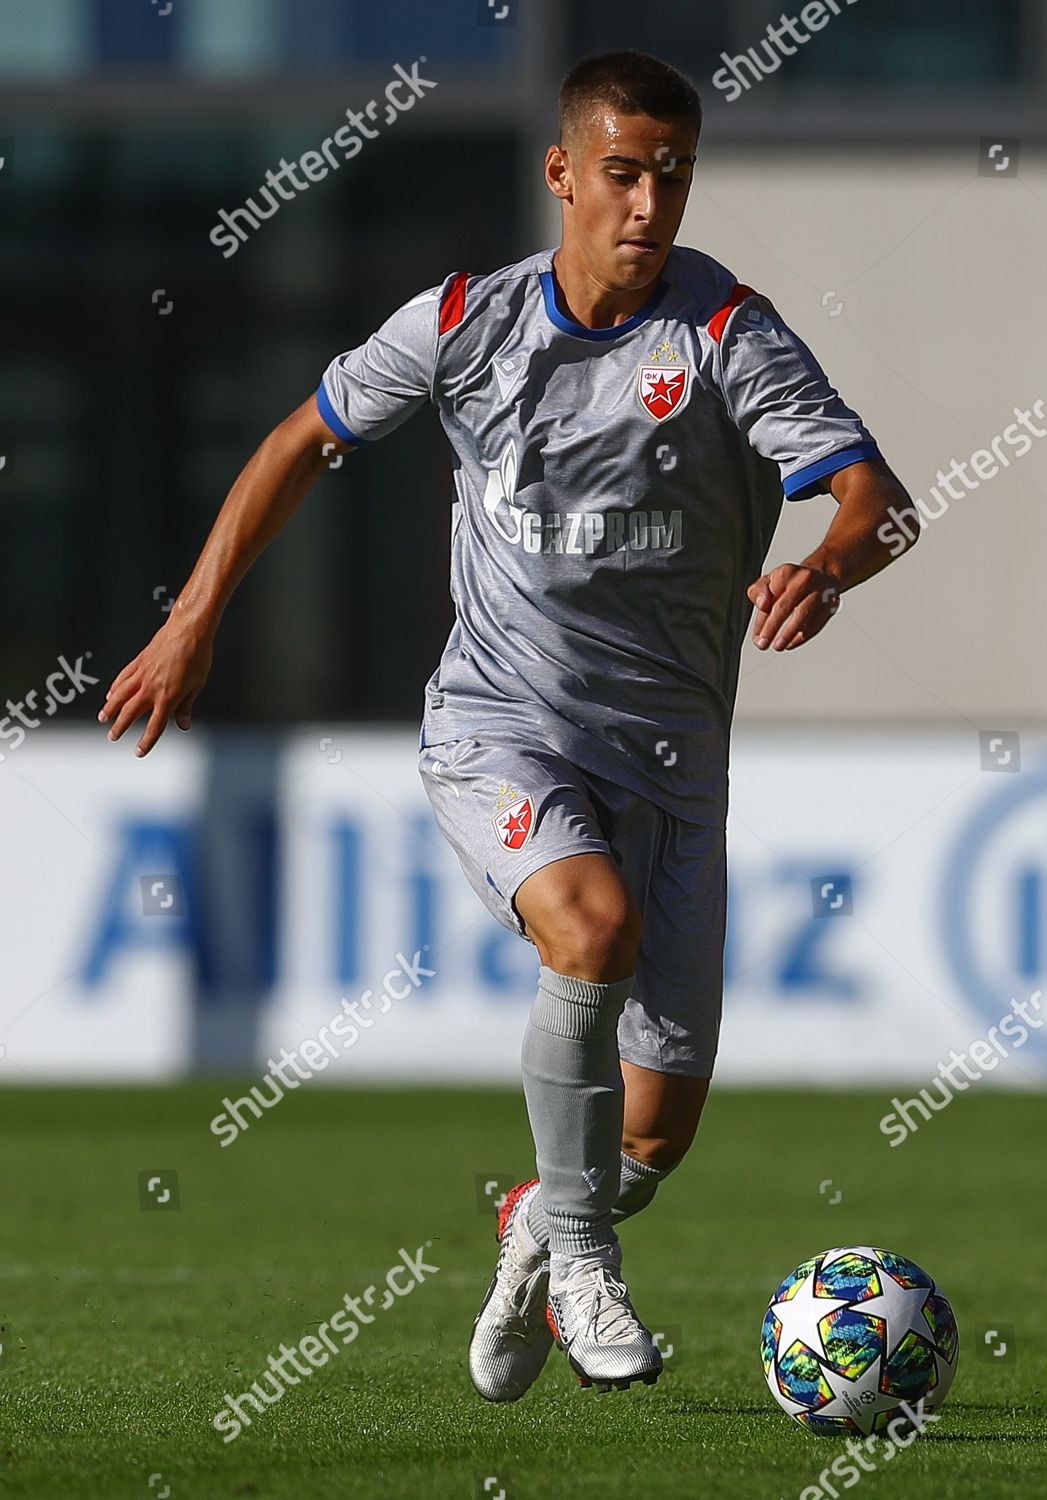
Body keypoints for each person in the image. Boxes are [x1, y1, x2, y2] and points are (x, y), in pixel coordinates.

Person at [97, 48, 920, 1401]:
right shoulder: (468, 322)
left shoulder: (728, 337)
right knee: (590, 926)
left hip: (671, 763)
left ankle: (541, 1220)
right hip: (498, 724)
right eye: (623, 173)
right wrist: (193, 620)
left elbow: (876, 498)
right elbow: (299, 439)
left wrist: (827, 564)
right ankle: (583, 1259)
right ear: (561, 174)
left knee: (648, 1145)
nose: (650, 205)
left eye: (674, 177)